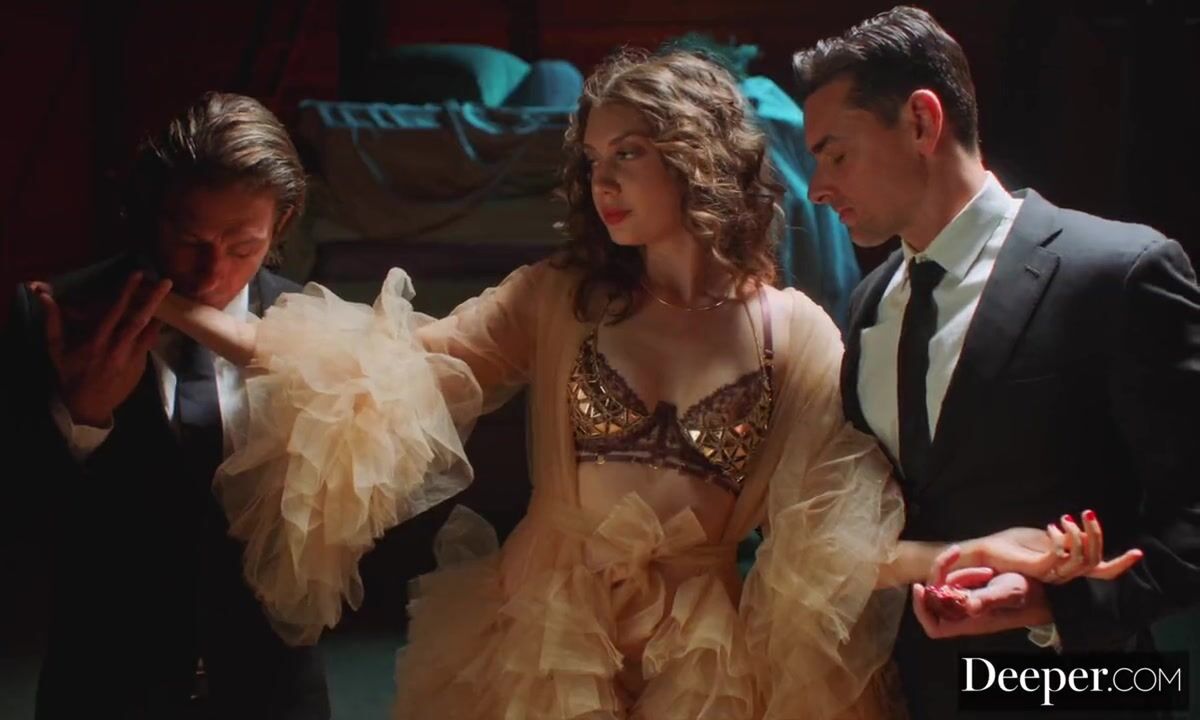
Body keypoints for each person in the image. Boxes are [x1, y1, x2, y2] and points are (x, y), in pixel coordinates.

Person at [153, 52, 1125, 719]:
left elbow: (833, 537)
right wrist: (184, 308)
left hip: (703, 660)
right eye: (593, 162)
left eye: (629, 155)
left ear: (697, 158)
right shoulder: (557, 297)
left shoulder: (796, 335)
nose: (604, 182)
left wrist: (973, 551)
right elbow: (378, 366)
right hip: (539, 640)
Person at [794, 6, 1200, 718]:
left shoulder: (1117, 273)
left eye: (836, 155)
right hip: (907, 695)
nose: (817, 189)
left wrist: (1052, 606)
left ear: (921, 122)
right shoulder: (866, 305)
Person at [4, 92, 330, 719]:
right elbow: (19, 527)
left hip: (276, 693)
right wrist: (82, 421)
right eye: (189, 240)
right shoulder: (57, 314)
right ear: (152, 214)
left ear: (282, 223)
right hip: (104, 691)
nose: (210, 274)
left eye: (242, 247)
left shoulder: (317, 326)